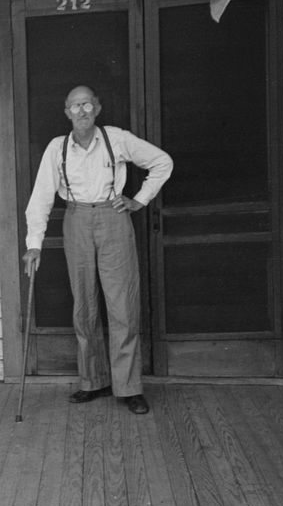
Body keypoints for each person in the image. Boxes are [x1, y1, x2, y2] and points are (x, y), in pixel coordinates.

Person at [22, 86, 173, 415]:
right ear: (66, 112)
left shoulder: (115, 138)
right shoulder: (56, 148)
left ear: (97, 108)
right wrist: (34, 245)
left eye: (87, 104)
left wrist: (139, 199)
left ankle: (129, 388)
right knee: (84, 306)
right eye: (75, 106)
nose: (82, 111)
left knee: (122, 306)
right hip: (76, 220)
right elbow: (41, 198)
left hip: (113, 219)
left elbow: (162, 162)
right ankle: (93, 381)